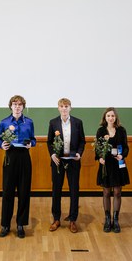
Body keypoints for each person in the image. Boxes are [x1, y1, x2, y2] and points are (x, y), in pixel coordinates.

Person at [0, 95, 36, 238]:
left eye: (20, 104)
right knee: (7, 192)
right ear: (11, 106)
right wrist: (2, 145)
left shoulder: (29, 122)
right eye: (15, 104)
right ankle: (5, 225)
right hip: (10, 157)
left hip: (24, 158)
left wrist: (31, 143)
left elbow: (33, 139)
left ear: (23, 107)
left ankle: (20, 224)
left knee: (24, 192)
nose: (17, 106)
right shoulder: (4, 122)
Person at [46, 98, 85, 233]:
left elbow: (82, 141)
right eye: (61, 106)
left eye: (66, 106)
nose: (64, 109)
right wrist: (52, 155)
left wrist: (79, 153)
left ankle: (73, 220)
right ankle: (56, 219)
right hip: (58, 162)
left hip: (73, 161)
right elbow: (49, 142)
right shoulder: (53, 122)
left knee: (74, 190)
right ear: (58, 108)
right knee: (56, 190)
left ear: (70, 108)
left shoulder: (78, 122)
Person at [95, 107, 130, 233]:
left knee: (117, 192)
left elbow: (126, 147)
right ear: (105, 117)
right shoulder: (101, 131)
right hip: (106, 165)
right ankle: (107, 218)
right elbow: (98, 148)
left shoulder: (121, 130)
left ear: (116, 118)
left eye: (113, 116)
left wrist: (123, 155)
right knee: (106, 192)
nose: (111, 118)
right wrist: (99, 158)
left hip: (118, 164)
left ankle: (115, 219)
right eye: (108, 116)